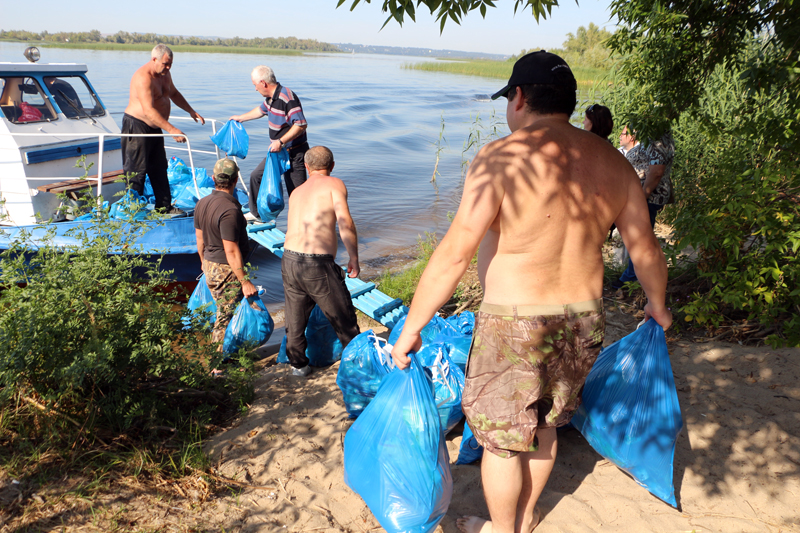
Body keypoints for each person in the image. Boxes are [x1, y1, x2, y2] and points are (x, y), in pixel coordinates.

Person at [389, 51, 672, 533]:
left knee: (502, 441)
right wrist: (657, 305)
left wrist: (411, 328)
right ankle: (524, 519)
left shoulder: (502, 157)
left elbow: (456, 251)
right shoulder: (612, 161)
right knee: (544, 426)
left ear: (519, 98)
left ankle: (504, 530)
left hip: (513, 323)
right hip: (582, 319)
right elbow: (644, 247)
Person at [281, 146, 360, 377]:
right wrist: (353, 257)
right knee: (343, 317)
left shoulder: (297, 192)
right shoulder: (335, 184)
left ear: (306, 167)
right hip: (317, 264)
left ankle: (298, 366)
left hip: (289, 260)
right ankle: (357, 362)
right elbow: (345, 222)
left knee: (295, 317)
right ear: (332, 166)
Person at [123, 44, 205, 214]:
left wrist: (190, 110)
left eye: (170, 65)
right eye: (165, 64)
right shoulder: (143, 77)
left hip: (154, 126)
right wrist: (172, 129)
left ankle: (164, 208)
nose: (168, 68)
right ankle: (132, 212)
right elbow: (148, 110)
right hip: (137, 126)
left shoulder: (165, 75)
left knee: (159, 168)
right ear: (154, 59)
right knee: (136, 172)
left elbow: (173, 93)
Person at [230, 66, 309, 221]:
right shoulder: (271, 99)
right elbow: (260, 111)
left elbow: (300, 124)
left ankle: (303, 228)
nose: (255, 89)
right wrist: (241, 118)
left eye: (255, 85)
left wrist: (281, 141)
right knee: (255, 177)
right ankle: (256, 214)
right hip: (278, 153)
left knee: (297, 194)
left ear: (263, 83)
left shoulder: (287, 97)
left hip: (294, 153)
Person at [194, 158, 257, 349]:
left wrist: (204, 264)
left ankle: (231, 355)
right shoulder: (230, 210)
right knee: (225, 318)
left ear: (213, 178)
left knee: (224, 312)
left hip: (210, 265)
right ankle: (217, 367)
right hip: (226, 270)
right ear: (236, 180)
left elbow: (200, 241)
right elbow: (231, 249)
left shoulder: (202, 203)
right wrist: (245, 281)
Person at [611, 127, 675, 290]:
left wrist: (640, 197)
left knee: (639, 238)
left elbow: (656, 172)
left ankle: (631, 278)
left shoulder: (656, 141)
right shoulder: (662, 137)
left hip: (649, 197)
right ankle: (635, 276)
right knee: (641, 237)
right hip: (651, 196)